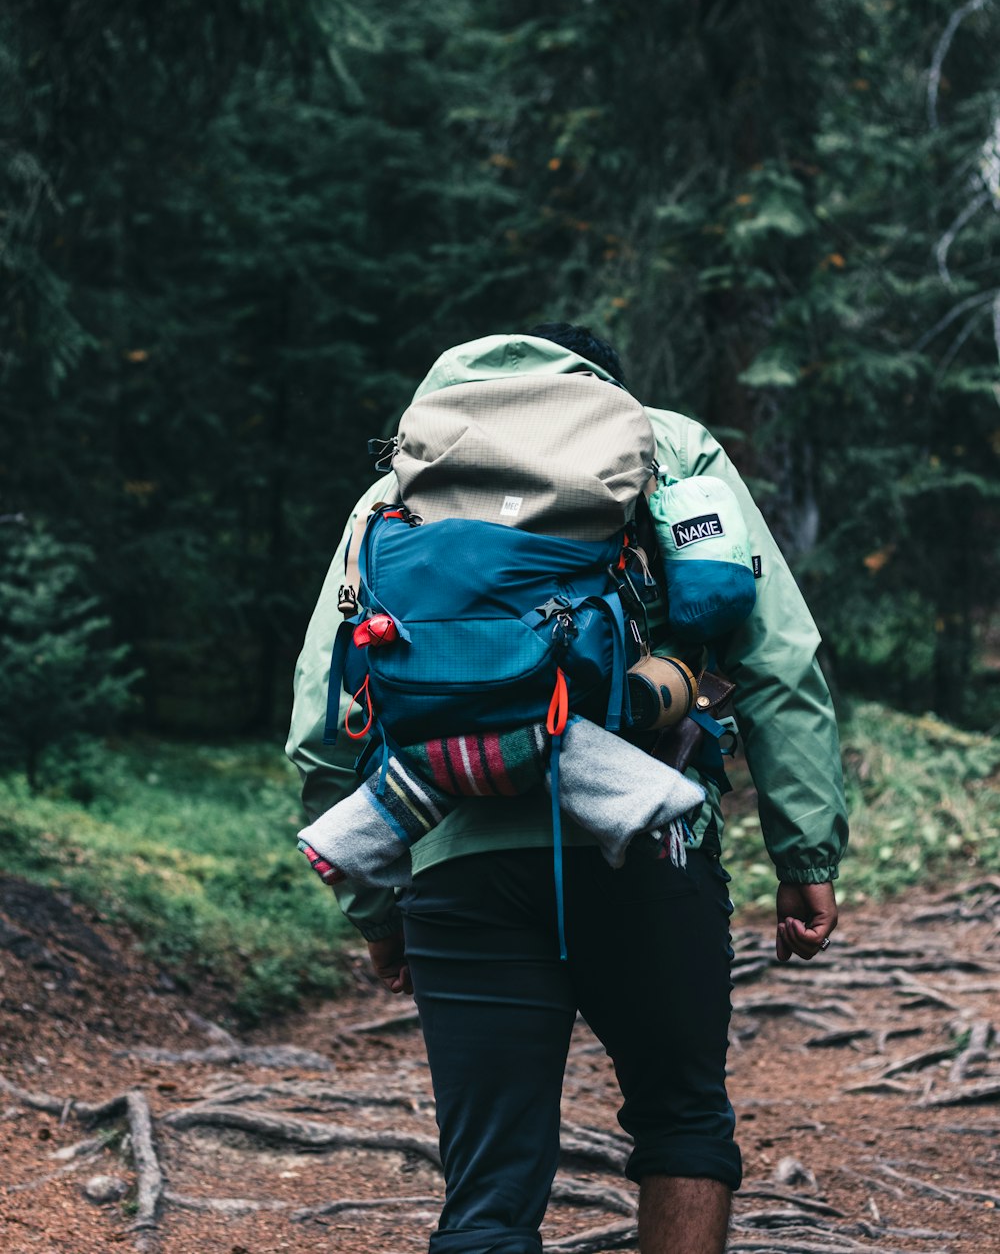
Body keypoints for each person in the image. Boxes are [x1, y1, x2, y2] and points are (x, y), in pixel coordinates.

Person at [286, 324, 848, 1254]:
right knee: (682, 1122)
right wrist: (805, 851)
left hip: (455, 852)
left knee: (489, 1190)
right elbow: (779, 659)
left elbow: (322, 721)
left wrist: (374, 908)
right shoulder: (668, 446)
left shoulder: (401, 480)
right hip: (646, 840)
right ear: (601, 392)